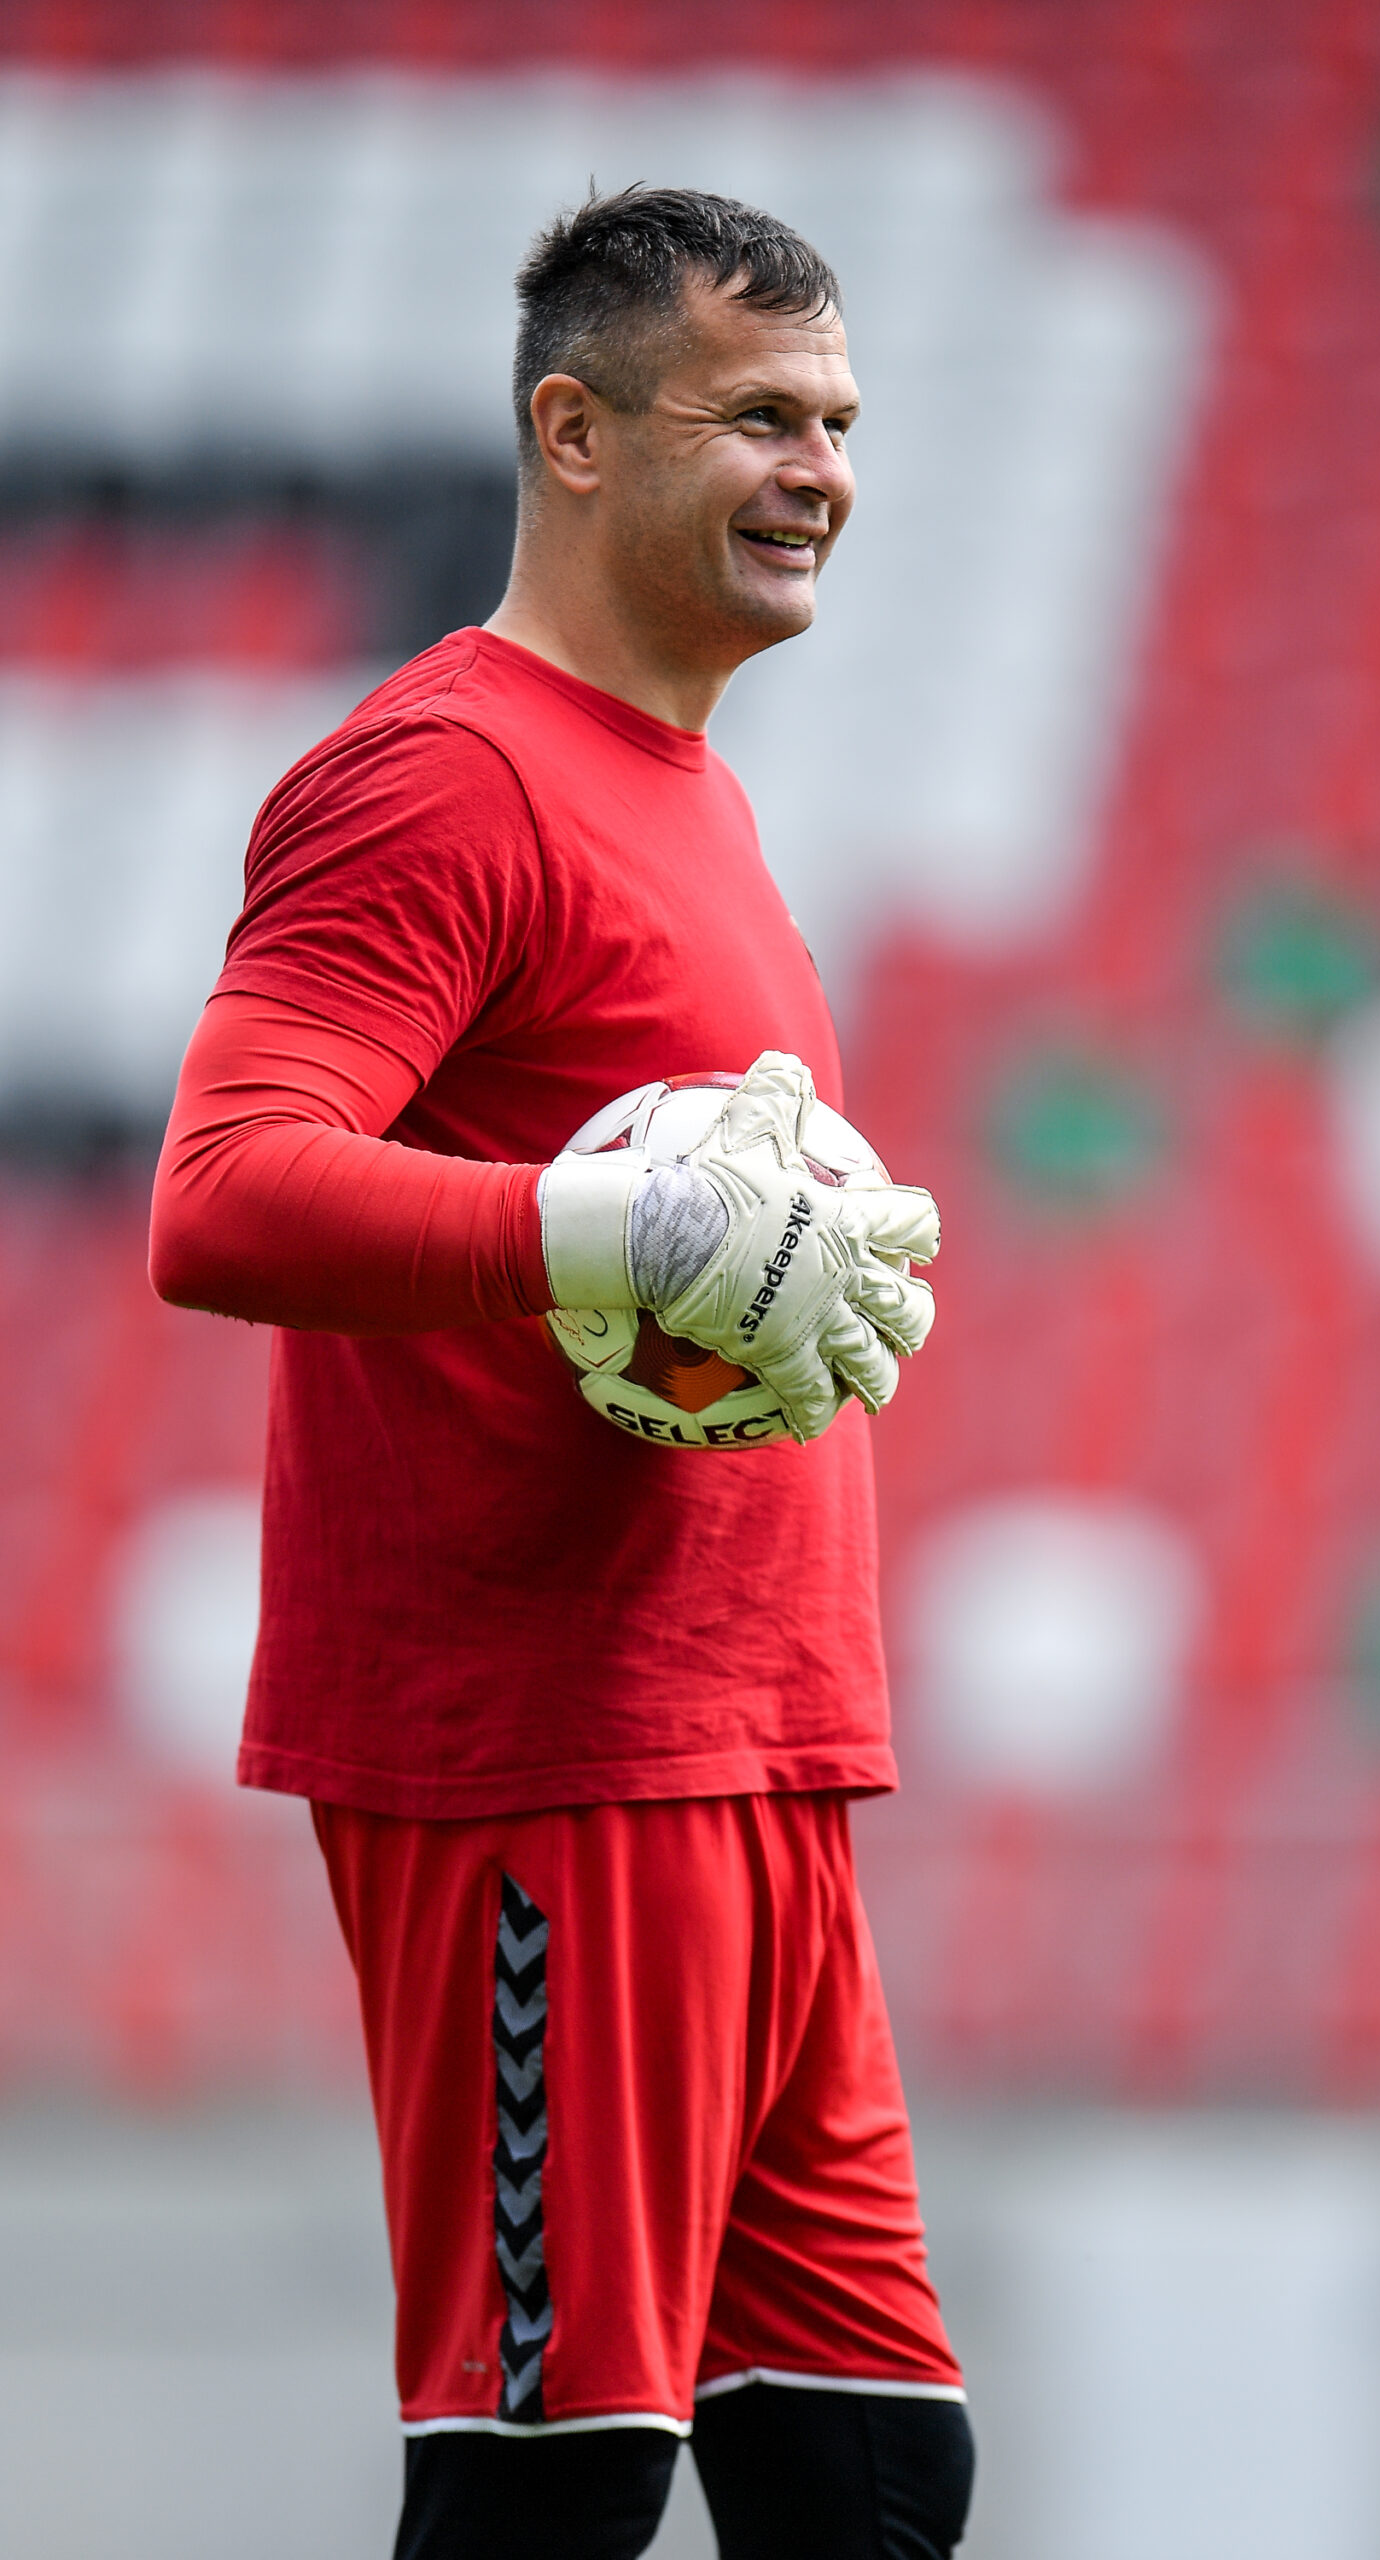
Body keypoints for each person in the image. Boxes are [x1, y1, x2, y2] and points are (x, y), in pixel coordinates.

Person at [149, 188, 975, 2560]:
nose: (818, 470)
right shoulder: (442, 775)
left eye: (836, 421)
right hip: (553, 1748)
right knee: (554, 2479)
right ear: (576, 430)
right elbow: (226, 1192)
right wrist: (610, 1230)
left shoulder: (685, 792)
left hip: (752, 1738)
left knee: (866, 2465)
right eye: (758, 417)